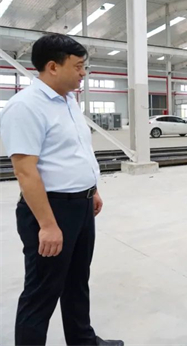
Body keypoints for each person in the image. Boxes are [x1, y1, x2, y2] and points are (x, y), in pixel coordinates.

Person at [0, 34, 123, 346]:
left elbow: (75, 152)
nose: (83, 73)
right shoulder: (25, 106)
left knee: (77, 281)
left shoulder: (68, 101)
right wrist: (48, 225)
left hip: (81, 206)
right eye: (78, 66)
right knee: (42, 291)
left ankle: (83, 341)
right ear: (53, 66)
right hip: (51, 209)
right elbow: (25, 171)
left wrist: (91, 189)